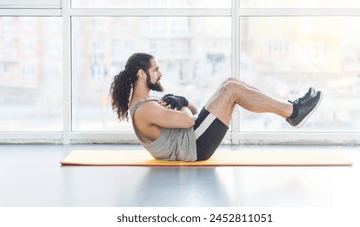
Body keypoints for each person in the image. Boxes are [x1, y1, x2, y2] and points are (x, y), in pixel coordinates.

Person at [110, 52, 322, 162]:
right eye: (156, 70)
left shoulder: (149, 103)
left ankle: (291, 108)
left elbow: (192, 109)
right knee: (231, 89)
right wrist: (181, 104)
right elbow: (188, 121)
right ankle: (293, 112)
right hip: (195, 146)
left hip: (193, 137)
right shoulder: (145, 109)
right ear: (141, 74)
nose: (160, 74)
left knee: (230, 82)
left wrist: (182, 101)